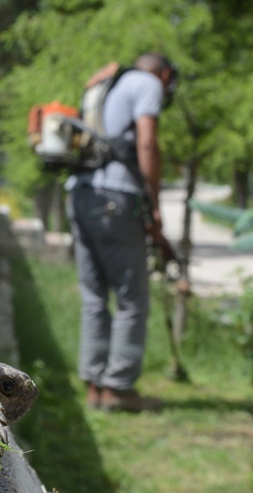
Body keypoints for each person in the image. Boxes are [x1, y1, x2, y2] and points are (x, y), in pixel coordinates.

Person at [67, 53, 176, 412]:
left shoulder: (101, 86)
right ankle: (119, 387)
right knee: (132, 298)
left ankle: (94, 385)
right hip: (117, 197)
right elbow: (146, 143)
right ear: (163, 73)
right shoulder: (147, 84)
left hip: (80, 193)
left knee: (94, 295)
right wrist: (155, 205)